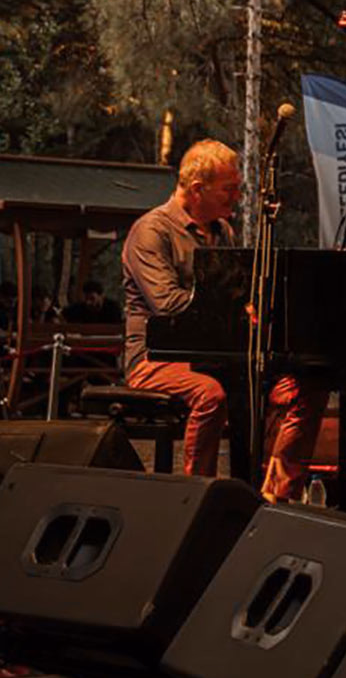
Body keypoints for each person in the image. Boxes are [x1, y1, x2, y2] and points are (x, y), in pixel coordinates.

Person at [122, 139, 327, 502]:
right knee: (211, 394)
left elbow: (234, 294)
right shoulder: (151, 231)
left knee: (304, 387)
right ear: (198, 190)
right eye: (229, 190)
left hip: (216, 357)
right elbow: (168, 306)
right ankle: (198, 498)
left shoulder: (222, 231)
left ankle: (277, 495)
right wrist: (234, 312)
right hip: (155, 358)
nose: (236, 197)